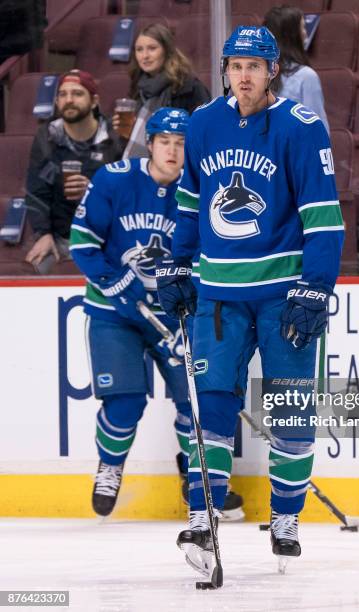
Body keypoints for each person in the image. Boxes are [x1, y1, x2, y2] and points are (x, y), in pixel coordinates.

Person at [155, 26, 344, 575]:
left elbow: (324, 219)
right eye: (235, 65)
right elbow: (190, 204)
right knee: (208, 408)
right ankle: (201, 517)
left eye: (254, 66)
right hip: (219, 296)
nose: (244, 76)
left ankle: (285, 516)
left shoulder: (302, 129)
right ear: (225, 70)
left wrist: (317, 285)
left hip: (283, 297)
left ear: (273, 72)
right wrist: (176, 262)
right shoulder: (204, 122)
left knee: (289, 413)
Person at [69, 107, 243, 520]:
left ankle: (195, 482)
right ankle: (110, 467)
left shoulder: (203, 191)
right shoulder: (114, 179)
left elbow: (208, 258)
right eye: (164, 141)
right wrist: (112, 280)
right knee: (125, 403)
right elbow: (81, 241)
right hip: (116, 313)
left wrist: (192, 316)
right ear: (151, 144)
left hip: (173, 312)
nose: (172, 150)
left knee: (194, 401)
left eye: (181, 143)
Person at [25, 69, 124, 274]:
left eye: (77, 94)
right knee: (35, 266)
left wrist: (93, 192)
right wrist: (43, 234)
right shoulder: (47, 137)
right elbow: (36, 192)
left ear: (94, 101)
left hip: (107, 236)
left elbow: (128, 195)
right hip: (60, 237)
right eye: (63, 94)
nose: (69, 99)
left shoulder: (113, 140)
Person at [117, 22, 211, 159]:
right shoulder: (138, 87)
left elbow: (205, 135)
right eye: (139, 49)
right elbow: (136, 141)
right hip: (144, 168)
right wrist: (126, 133)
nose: (145, 56)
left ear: (167, 51)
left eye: (152, 48)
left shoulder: (190, 87)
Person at [263, 5, 329, 131]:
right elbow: (318, 131)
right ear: (292, 35)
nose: (306, 33)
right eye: (303, 28)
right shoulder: (307, 76)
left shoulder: (253, 75)